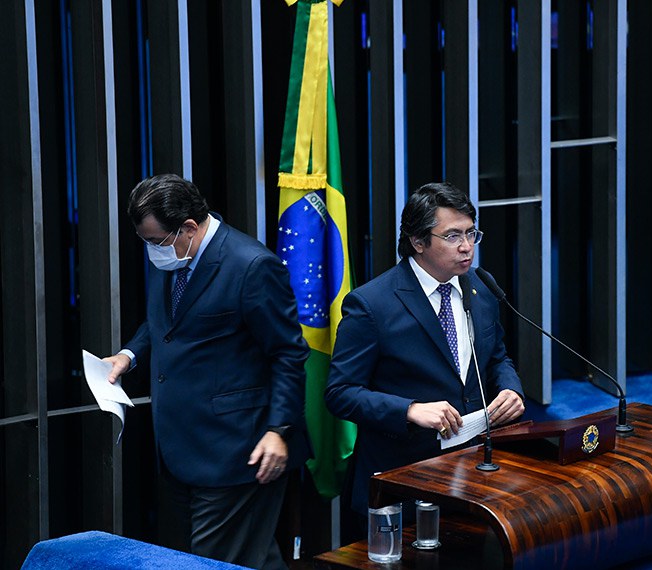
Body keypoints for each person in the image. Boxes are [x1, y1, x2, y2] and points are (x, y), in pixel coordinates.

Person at [101, 174, 310, 569]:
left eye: (156, 241)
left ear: (190, 227)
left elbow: (288, 353)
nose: (152, 250)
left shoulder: (252, 266)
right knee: (248, 557)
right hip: (181, 447)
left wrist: (278, 429)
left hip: (239, 450)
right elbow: (168, 322)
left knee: (212, 562)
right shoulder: (174, 251)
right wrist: (129, 355)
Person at [325, 182, 525, 519]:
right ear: (418, 242)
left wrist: (510, 387)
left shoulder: (481, 286)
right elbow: (340, 393)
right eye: (452, 236)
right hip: (404, 476)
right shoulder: (372, 304)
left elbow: (496, 357)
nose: (467, 248)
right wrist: (409, 410)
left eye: (471, 233)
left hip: (476, 468)